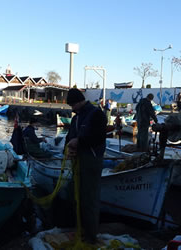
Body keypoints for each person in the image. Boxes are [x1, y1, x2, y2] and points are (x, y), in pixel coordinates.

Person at [64, 88, 107, 244]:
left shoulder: (97, 114)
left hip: (91, 161)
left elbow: (99, 137)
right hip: (77, 162)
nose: (72, 109)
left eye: (72, 105)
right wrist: (68, 149)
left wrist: (80, 142)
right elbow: (69, 137)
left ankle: (90, 236)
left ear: (79, 101)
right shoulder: (76, 118)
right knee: (75, 196)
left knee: (89, 199)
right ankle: (79, 229)